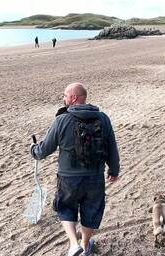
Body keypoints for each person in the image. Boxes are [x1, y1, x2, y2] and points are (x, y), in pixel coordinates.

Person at [30, 83, 120, 256]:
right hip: (95, 176)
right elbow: (111, 147)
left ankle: (74, 244)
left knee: (65, 208)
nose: (63, 98)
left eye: (65, 95)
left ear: (73, 98)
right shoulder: (103, 118)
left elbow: (44, 150)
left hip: (68, 178)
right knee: (92, 210)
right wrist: (114, 170)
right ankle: (85, 246)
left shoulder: (62, 119)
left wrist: (33, 149)